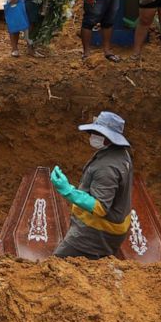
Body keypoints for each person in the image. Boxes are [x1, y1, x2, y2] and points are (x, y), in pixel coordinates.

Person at [51, 111, 133, 259]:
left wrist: (67, 190)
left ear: (110, 138)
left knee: (58, 263)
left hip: (96, 232)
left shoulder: (107, 168)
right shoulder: (120, 154)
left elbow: (100, 207)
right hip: (112, 227)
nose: (92, 136)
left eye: (98, 133)